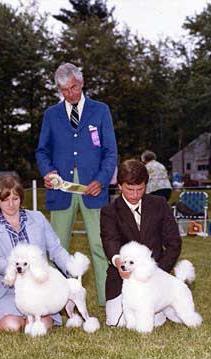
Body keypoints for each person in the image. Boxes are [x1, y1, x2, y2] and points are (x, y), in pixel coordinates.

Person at [36, 62, 117, 307]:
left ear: (81, 83)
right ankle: (53, 303)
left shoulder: (101, 110)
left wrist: (101, 181)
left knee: (99, 245)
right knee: (57, 247)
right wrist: (49, 173)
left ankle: (109, 301)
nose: (69, 94)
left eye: (72, 88)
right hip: (61, 190)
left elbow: (110, 151)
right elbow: (42, 151)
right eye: (63, 90)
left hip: (93, 189)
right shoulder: (51, 114)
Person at [0, 174, 74, 331]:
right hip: (7, 291)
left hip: (40, 287)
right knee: (12, 326)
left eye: (15, 199)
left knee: (41, 325)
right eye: (5, 200)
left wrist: (71, 269)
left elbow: (56, 249)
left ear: (21, 198)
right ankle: (15, 316)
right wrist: (21, 271)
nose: (11, 204)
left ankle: (34, 317)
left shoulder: (37, 218)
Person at [100, 159, 182, 326]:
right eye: (130, 189)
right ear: (120, 186)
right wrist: (118, 263)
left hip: (157, 276)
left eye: (140, 189)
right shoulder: (109, 212)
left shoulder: (160, 204)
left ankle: (163, 304)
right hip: (122, 279)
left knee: (152, 321)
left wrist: (157, 273)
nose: (135, 195)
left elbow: (174, 243)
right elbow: (110, 242)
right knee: (117, 323)